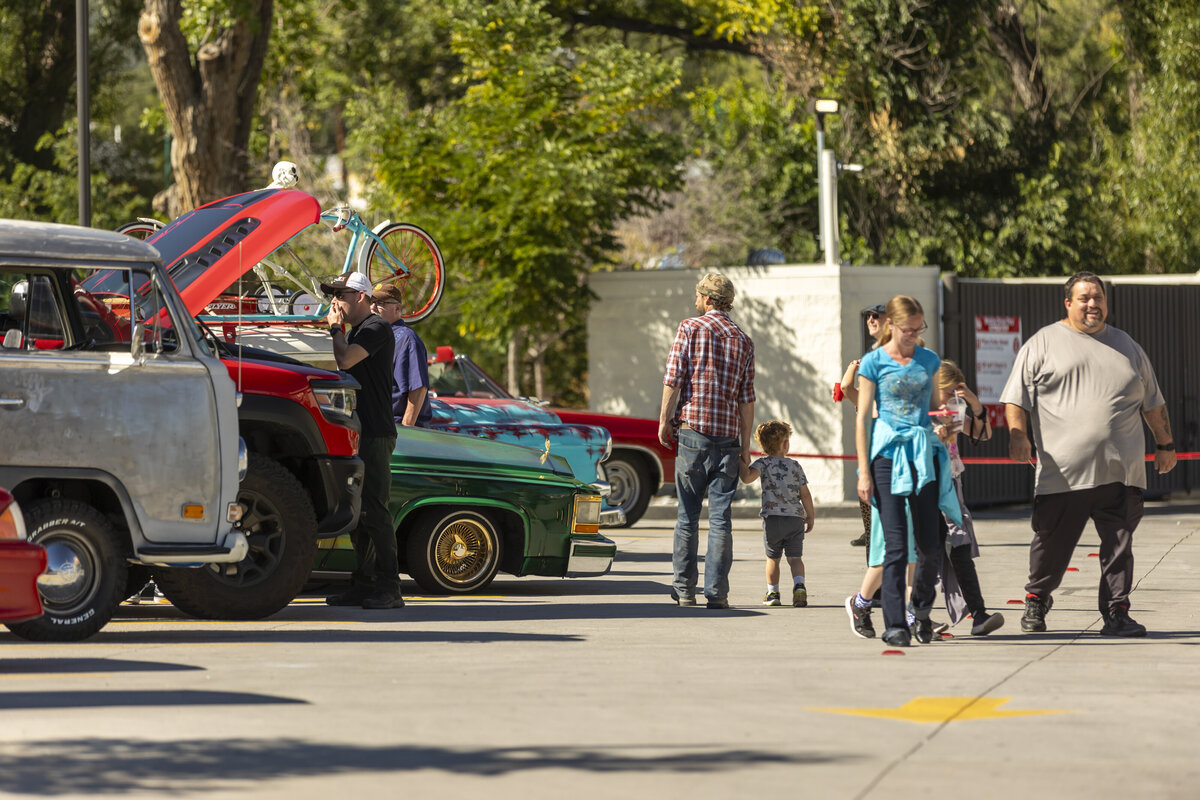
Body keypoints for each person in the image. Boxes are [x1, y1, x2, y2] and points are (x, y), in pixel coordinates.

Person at [1000, 271, 1175, 637]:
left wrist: (1165, 444)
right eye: (1084, 298)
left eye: (1098, 298)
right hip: (1062, 475)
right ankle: (1037, 599)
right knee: (1051, 546)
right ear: (1068, 303)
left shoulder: (1127, 346)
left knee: (1119, 547)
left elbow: (1153, 404)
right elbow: (1016, 397)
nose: (1093, 304)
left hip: (1121, 473)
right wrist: (1018, 436)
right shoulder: (1043, 343)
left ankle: (1116, 612)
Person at [855, 295, 960, 646]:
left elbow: (933, 409)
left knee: (930, 546)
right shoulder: (873, 363)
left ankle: (921, 609)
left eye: (919, 329)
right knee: (897, 546)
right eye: (908, 329)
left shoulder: (929, 360)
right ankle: (895, 624)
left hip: (921, 453)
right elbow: (862, 418)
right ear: (891, 326)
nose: (914, 335)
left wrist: (944, 424)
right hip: (886, 455)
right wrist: (864, 472)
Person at [659, 272, 755, 610]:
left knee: (687, 516)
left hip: (693, 435)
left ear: (708, 300)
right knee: (721, 520)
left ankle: (684, 590)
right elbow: (747, 399)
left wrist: (663, 420)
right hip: (728, 439)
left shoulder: (690, 328)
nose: (696, 301)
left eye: (699, 296)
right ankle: (717, 593)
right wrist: (744, 448)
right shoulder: (743, 340)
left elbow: (674, 378)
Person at [322, 272, 404, 610]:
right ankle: (364, 581)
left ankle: (390, 587)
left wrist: (333, 329)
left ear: (359, 297)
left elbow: (345, 359)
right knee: (360, 512)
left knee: (376, 510)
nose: (336, 302)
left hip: (376, 432)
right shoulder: (359, 330)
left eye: (341, 295)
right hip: (361, 430)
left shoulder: (376, 328)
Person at [919, 360, 1004, 636]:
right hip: (928, 487)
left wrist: (974, 404)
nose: (951, 399)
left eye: (956, 393)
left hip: (952, 485)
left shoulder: (953, 410)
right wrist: (939, 433)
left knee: (959, 548)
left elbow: (984, 433)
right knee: (927, 553)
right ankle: (916, 614)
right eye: (947, 392)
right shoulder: (923, 413)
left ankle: (978, 614)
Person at [739, 421, 815, 607]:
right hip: (795, 519)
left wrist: (741, 462)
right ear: (785, 444)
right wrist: (810, 515)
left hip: (773, 519)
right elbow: (805, 493)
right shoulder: (795, 465)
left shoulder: (763, 463)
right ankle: (799, 587)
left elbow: (747, 479)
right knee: (795, 558)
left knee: (773, 558)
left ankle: (773, 594)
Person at [837, 303, 886, 548]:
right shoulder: (866, 402)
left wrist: (853, 368)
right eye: (868, 315)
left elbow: (846, 387)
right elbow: (845, 388)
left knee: (877, 530)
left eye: (875, 315)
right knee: (879, 529)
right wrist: (855, 367)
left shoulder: (869, 402)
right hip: (875, 463)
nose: (870, 319)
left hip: (876, 463)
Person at [371, 282, 432, 427]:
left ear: (397, 308)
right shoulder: (377, 337)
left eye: (380, 303)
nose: (373, 307)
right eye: (371, 302)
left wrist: (407, 427)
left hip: (398, 429)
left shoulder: (407, 339)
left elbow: (418, 387)